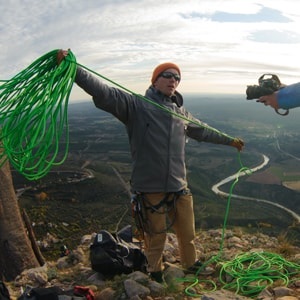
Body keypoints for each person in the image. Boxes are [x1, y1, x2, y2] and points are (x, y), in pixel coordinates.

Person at [57, 49, 244, 282]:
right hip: (150, 186)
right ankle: (154, 272)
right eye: (167, 75)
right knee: (155, 236)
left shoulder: (181, 113)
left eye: (177, 77)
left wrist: (230, 141)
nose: (173, 80)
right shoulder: (136, 106)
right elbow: (104, 92)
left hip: (178, 184)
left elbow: (204, 131)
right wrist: (74, 69)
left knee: (187, 233)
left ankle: (190, 264)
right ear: (155, 80)